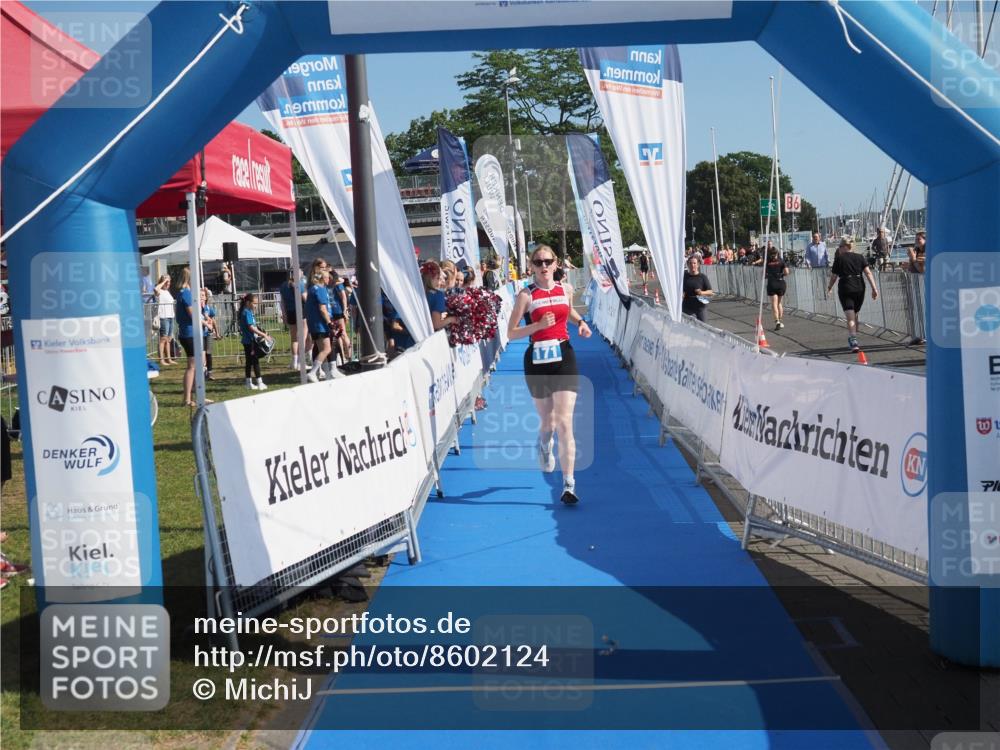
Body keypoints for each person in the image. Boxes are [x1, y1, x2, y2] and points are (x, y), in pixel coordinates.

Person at [507, 245, 591, 505]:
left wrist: (580, 323)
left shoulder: (565, 289)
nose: (544, 266)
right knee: (549, 422)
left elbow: (568, 311)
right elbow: (511, 333)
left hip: (564, 356)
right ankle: (544, 446)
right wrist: (537, 326)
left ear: (556, 264)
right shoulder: (526, 295)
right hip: (537, 360)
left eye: (548, 261)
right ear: (531, 266)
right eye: (538, 262)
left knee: (565, 422)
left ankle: (568, 484)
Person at [826, 240, 879, 353]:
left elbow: (834, 276)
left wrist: (829, 287)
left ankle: (854, 340)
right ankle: (854, 335)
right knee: (855, 313)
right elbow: (868, 273)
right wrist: (874, 288)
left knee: (850, 316)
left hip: (846, 286)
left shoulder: (839, 259)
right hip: (859, 286)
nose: (839, 249)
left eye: (840, 246)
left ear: (846, 246)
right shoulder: (860, 257)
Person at [174, 268, 202, 406]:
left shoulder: (182, 293)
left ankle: (198, 397)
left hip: (188, 332)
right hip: (188, 333)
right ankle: (187, 399)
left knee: (196, 365)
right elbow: (192, 314)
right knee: (192, 366)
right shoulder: (186, 293)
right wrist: (205, 323)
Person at [305, 263, 334, 382]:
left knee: (323, 349)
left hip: (313, 324)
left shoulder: (312, 288)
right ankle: (312, 372)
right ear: (323, 278)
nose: (329, 279)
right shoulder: (321, 289)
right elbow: (322, 308)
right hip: (320, 324)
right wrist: (329, 322)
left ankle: (327, 374)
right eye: (327, 277)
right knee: (327, 349)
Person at [238, 293, 268, 391]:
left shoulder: (246, 312)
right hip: (250, 341)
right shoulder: (247, 312)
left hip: (247, 341)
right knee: (255, 361)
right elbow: (251, 327)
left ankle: (248, 383)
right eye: (254, 303)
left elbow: (253, 326)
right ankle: (259, 382)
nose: (256, 305)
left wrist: (261, 331)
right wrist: (263, 335)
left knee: (249, 362)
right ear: (248, 303)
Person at [280, 271, 308, 370]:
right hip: (301, 311)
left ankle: (294, 362)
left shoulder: (283, 285)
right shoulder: (300, 284)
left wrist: (284, 314)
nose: (302, 273)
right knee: (303, 337)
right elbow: (305, 298)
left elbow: (282, 302)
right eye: (300, 271)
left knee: (294, 338)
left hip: (290, 312)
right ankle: (301, 362)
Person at [422, 261, 454, 331]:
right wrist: (451, 319)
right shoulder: (438, 295)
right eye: (438, 278)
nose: (439, 282)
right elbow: (436, 324)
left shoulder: (417, 292)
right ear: (431, 278)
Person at [681, 255, 715, 321]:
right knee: (685, 326)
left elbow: (710, 292)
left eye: (694, 263)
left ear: (698, 265)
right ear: (687, 264)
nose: (692, 265)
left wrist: (701, 292)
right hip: (687, 306)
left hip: (700, 307)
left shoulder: (702, 277)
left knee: (703, 327)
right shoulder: (684, 277)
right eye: (690, 263)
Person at [153, 274, 176, 365]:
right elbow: (155, 289)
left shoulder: (168, 292)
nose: (168, 283)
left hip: (170, 317)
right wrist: (163, 282)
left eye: (169, 282)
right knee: (163, 338)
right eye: (166, 282)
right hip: (163, 317)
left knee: (168, 339)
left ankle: (169, 358)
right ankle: (161, 359)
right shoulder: (160, 291)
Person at [765, 247, 790, 330]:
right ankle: (780, 320)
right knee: (779, 303)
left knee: (774, 304)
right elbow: (787, 272)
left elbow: (764, 274)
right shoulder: (781, 260)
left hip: (772, 283)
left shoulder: (768, 261)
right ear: (777, 253)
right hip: (781, 283)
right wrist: (781, 274)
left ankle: (777, 321)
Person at [200, 288, 217, 381]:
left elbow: (212, 320)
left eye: (202, 295)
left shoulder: (208, 308)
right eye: (199, 296)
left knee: (209, 353)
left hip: (208, 333)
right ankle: (203, 372)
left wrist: (216, 331)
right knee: (202, 354)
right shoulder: (196, 308)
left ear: (206, 297)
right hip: (200, 334)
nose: (201, 297)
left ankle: (210, 373)